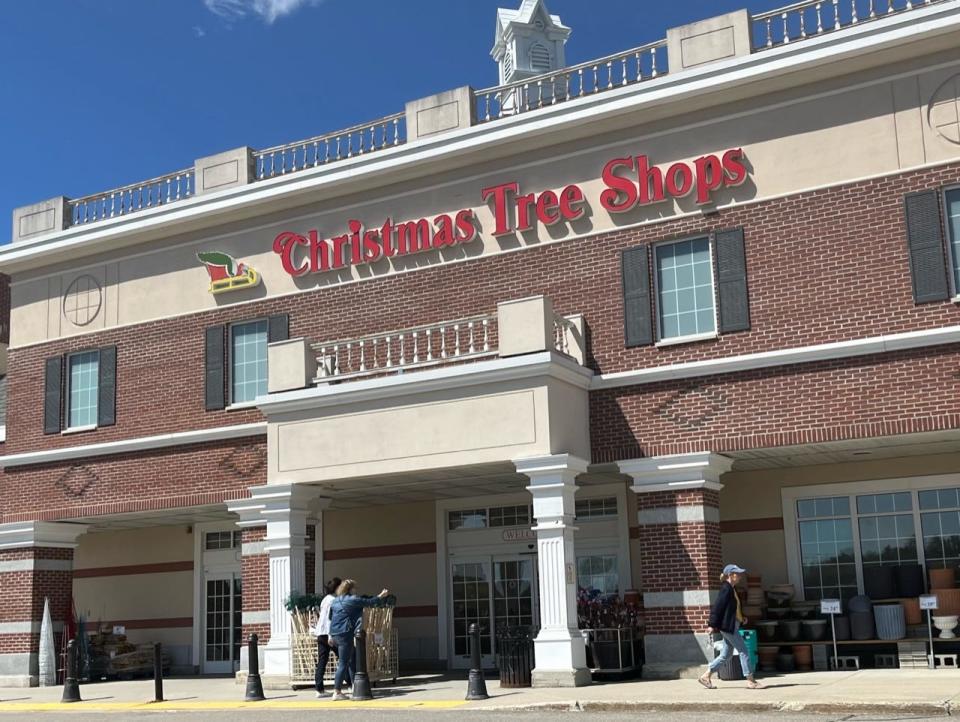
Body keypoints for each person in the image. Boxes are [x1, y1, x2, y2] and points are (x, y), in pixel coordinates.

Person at [699, 563, 762, 690]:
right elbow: (718, 607)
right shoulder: (726, 589)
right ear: (730, 575)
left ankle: (706, 676)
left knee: (726, 655)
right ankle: (750, 680)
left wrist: (741, 617)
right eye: (737, 574)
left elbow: (733, 608)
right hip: (729, 627)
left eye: (739, 574)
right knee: (744, 651)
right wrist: (711, 625)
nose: (739, 576)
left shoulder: (732, 589)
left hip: (732, 625)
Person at [329, 579, 389, 701]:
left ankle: (353, 686)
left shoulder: (335, 601)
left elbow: (330, 617)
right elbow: (369, 602)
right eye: (354, 588)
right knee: (344, 663)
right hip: (345, 633)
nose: (356, 590)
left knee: (351, 660)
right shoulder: (353, 599)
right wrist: (381, 596)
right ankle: (337, 691)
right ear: (350, 589)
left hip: (335, 633)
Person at [312, 577, 343, 698]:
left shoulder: (325, 599)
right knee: (344, 658)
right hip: (329, 634)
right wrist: (331, 635)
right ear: (337, 588)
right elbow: (331, 618)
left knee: (322, 661)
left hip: (320, 633)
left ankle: (319, 690)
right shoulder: (333, 600)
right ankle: (351, 684)